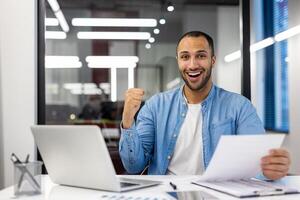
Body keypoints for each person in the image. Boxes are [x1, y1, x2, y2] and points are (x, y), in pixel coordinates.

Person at [119, 31, 290, 180]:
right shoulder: (156, 106)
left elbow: (257, 165)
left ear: (212, 60)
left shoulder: (240, 107)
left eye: (201, 56)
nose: (192, 65)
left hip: (218, 194)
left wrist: (270, 170)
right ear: (178, 61)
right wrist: (127, 121)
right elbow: (134, 166)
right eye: (185, 57)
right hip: (166, 194)